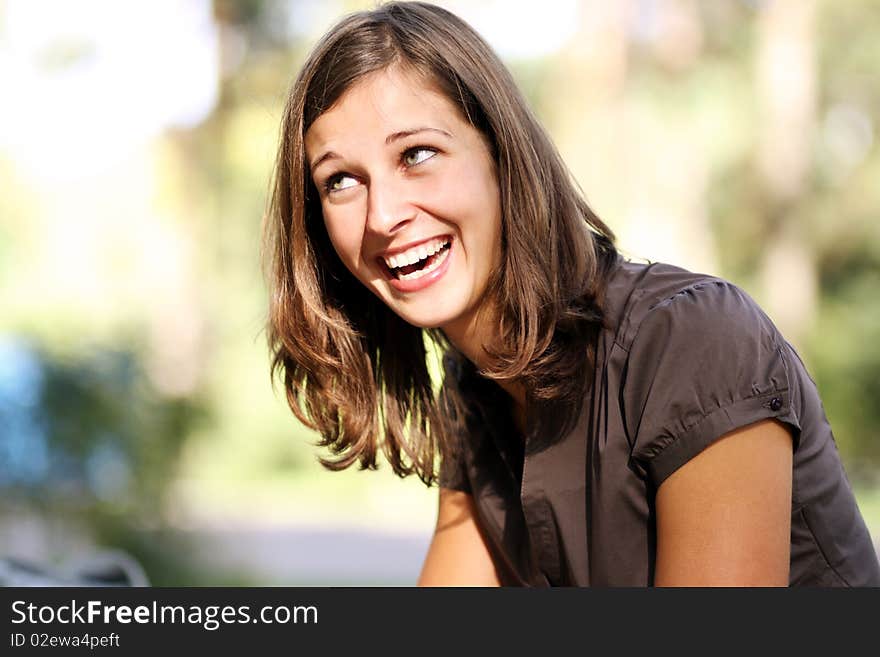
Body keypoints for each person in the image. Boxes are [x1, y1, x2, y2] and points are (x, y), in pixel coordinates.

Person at [262, 1, 880, 586]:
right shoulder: (475, 389)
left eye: (418, 154)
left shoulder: (693, 342)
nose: (382, 216)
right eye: (341, 181)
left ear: (502, 157)